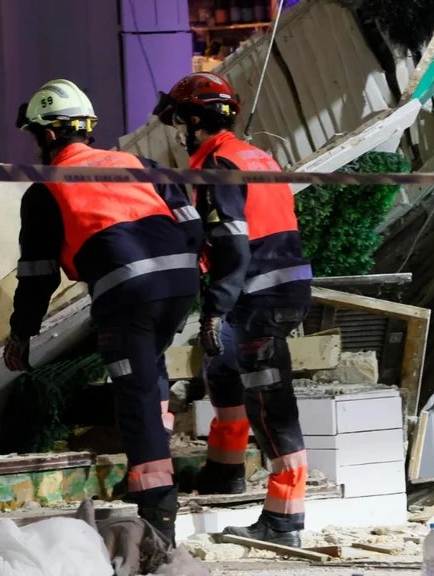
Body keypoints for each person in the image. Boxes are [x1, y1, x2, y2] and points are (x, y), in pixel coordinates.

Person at [3, 79, 201, 545]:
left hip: (128, 293)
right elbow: (190, 226)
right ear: (87, 129)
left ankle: (157, 516)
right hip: (180, 282)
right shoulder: (139, 164)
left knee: (133, 397)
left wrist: (21, 332)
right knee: (149, 373)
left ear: (48, 135)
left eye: (35, 136)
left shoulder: (46, 189)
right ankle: (146, 470)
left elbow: (37, 275)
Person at [153, 71, 312, 547]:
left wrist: (215, 309)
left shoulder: (219, 165)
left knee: (270, 406)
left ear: (196, 119)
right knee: (222, 371)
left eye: (181, 120)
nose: (179, 131)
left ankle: (284, 521)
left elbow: (233, 247)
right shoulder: (252, 155)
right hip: (272, 289)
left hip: (258, 296)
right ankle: (224, 472)